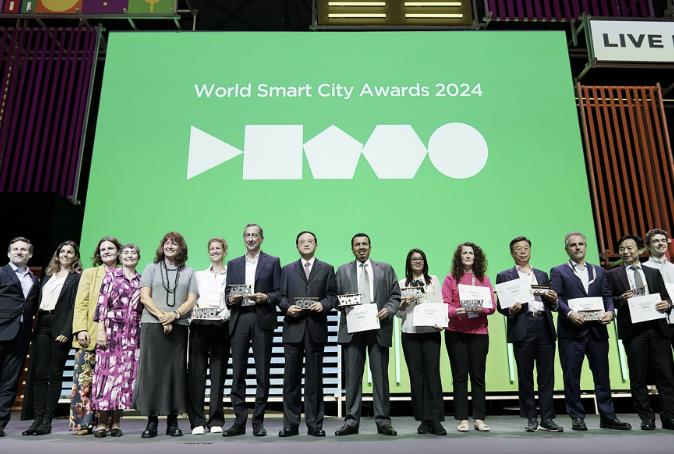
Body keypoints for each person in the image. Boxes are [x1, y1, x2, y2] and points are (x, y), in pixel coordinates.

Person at [549, 231, 631, 431]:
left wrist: (610, 312)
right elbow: (556, 298)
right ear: (566, 249)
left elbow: (607, 295)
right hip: (571, 332)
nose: (577, 247)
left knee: (602, 376)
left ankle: (608, 417)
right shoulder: (558, 271)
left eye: (580, 244)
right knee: (572, 377)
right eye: (573, 245)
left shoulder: (599, 271)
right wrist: (569, 313)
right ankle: (577, 417)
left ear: (586, 246)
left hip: (597, 331)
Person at [334, 233, 401, 436]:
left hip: (378, 327)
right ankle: (351, 422)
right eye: (357, 245)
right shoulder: (342, 270)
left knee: (380, 377)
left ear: (370, 247)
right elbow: (334, 298)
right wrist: (343, 304)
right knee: (352, 378)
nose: (361, 247)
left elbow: (395, 296)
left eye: (364, 244)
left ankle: (383, 422)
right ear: (352, 248)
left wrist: (388, 309)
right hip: (352, 329)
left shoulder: (386, 269)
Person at [607, 234, 674, 430]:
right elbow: (608, 299)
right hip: (633, 331)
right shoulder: (613, 274)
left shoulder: (653, 272)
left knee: (666, 376)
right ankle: (647, 418)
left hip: (658, 329)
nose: (626, 252)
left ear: (639, 250)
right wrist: (621, 299)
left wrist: (667, 304)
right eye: (622, 249)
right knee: (638, 377)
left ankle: (669, 417)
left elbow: (665, 298)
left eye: (630, 248)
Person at [495, 236, 562, 432]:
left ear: (530, 250)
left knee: (547, 375)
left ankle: (547, 418)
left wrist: (554, 300)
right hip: (522, 326)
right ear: (512, 253)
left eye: (526, 248)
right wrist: (510, 310)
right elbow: (501, 306)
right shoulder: (504, 276)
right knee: (525, 376)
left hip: (544, 325)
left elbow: (552, 304)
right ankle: (531, 418)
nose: (523, 251)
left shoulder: (541, 274)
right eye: (518, 248)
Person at [134, 232, 197, 438]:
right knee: (152, 372)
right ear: (162, 247)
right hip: (153, 325)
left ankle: (172, 421)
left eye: (174, 244)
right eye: (167, 243)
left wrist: (174, 315)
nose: (170, 246)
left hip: (179, 326)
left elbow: (191, 299)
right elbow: (145, 297)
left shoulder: (189, 271)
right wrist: (163, 317)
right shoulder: (150, 268)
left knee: (175, 373)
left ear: (181, 248)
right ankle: (151, 421)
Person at [222, 224, 281, 437]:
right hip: (240, 319)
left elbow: (279, 292)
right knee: (238, 372)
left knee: (262, 374)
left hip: (261, 318)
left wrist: (267, 297)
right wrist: (230, 299)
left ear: (261, 238)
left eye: (254, 235)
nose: (250, 238)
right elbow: (227, 292)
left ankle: (258, 422)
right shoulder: (233, 263)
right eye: (247, 235)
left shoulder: (272, 261)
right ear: (243, 238)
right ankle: (239, 421)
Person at [278, 231, 337, 438]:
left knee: (315, 381)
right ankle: (290, 425)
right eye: (302, 242)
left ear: (316, 245)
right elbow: (280, 297)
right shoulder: (287, 270)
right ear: (297, 246)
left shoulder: (327, 269)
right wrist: (287, 308)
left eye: (309, 241)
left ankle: (314, 425)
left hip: (316, 329)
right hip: (293, 329)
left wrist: (324, 305)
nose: (306, 244)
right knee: (290, 381)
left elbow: (333, 296)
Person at [21, 241, 82, 436]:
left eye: (69, 252)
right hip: (42, 325)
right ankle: (37, 420)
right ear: (57, 254)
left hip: (60, 326)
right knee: (39, 374)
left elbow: (76, 306)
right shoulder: (48, 276)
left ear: (75, 256)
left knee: (55, 373)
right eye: (62, 251)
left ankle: (47, 421)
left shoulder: (77, 278)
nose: (65, 254)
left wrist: (67, 330)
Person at [90, 244, 143, 438]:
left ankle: (116, 423)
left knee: (124, 377)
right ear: (120, 257)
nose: (130, 256)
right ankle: (101, 423)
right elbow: (101, 304)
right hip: (111, 331)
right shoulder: (111, 276)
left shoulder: (142, 280)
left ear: (138, 257)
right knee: (106, 376)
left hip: (133, 333)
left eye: (133, 253)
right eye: (126, 253)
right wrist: (100, 330)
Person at [442, 242, 495, 432]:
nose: (468, 256)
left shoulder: (484, 279)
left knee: (478, 376)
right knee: (460, 376)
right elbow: (445, 303)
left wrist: (481, 309)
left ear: (476, 256)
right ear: (459, 257)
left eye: (471, 253)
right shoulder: (450, 278)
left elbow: (492, 306)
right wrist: (455, 311)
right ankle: (463, 419)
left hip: (479, 332)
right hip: (455, 332)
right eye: (464, 253)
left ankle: (479, 418)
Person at [70, 236, 121, 435]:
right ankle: (82, 423)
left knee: (110, 382)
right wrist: (80, 329)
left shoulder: (124, 274)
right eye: (103, 249)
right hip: (89, 335)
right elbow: (81, 302)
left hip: (115, 338)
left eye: (110, 248)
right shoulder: (90, 273)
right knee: (84, 380)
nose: (106, 251)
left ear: (118, 251)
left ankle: (105, 422)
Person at [396, 248, 445, 435]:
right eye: (414, 259)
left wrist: (441, 323)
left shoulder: (434, 280)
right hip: (410, 333)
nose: (417, 261)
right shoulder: (402, 283)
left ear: (425, 262)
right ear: (408, 263)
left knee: (432, 375)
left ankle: (436, 419)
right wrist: (403, 304)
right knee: (416, 377)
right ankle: (424, 420)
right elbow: (399, 314)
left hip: (431, 332)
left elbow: (440, 304)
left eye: (420, 259)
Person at [187, 238, 231, 435]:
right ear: (208, 252)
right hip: (199, 327)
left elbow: (232, 300)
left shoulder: (231, 274)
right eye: (212, 248)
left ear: (224, 251)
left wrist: (224, 314)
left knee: (218, 376)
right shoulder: (199, 275)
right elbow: (192, 300)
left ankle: (216, 420)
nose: (215, 251)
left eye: (218, 248)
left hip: (221, 327)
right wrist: (194, 314)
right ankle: (197, 421)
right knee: (196, 375)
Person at [0, 237, 40, 438]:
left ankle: (0, 422)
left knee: (9, 382)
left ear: (29, 254)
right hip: (1, 330)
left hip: (20, 336)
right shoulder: (1, 273)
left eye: (23, 249)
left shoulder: (34, 280)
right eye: (15, 249)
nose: (19, 252)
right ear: (9, 253)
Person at [643, 228, 674, 352]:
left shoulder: (673, 268)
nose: (661, 243)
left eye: (663, 240)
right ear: (648, 246)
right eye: (656, 241)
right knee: (663, 361)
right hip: (656, 322)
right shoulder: (643, 269)